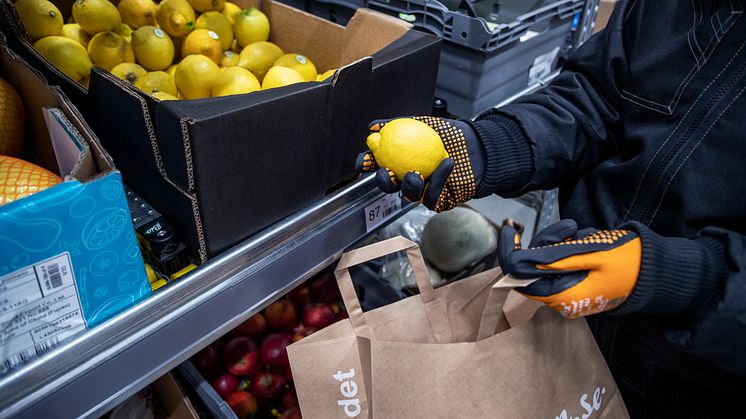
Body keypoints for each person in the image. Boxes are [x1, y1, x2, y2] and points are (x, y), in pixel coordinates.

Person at [355, 1, 746, 417]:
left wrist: (676, 276)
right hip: (576, 328)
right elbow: (598, 98)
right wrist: (488, 149)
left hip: (698, 381)